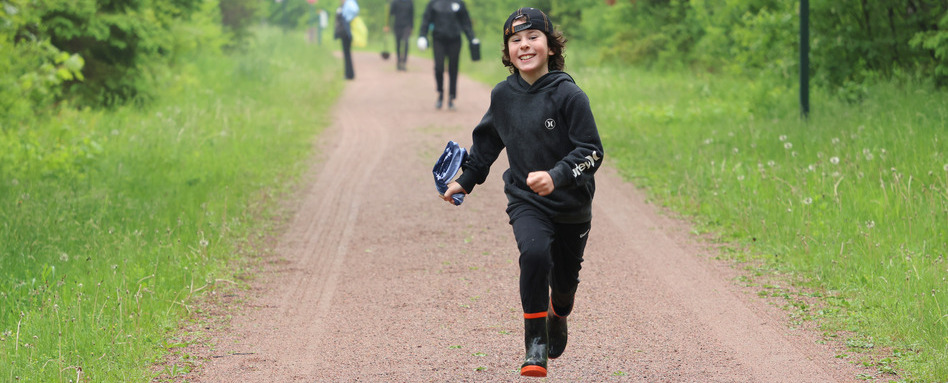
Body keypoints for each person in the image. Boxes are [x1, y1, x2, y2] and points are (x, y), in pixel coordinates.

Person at [439, 7, 604, 378]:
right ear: (507, 50)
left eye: (533, 38)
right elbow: (485, 147)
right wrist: (463, 181)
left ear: (550, 46)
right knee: (533, 255)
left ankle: (558, 313)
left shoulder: (569, 95)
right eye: (515, 40)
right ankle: (535, 344)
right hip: (526, 200)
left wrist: (557, 175)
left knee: (564, 283)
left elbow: (592, 151)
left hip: (572, 205)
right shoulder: (503, 96)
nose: (524, 46)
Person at [417, 0, 477, 110]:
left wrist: (471, 38)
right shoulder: (433, 3)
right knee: (439, 67)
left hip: (455, 40)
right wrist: (422, 35)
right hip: (438, 39)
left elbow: (465, 22)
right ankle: (440, 93)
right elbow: (426, 20)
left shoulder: (459, 3)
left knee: (453, 68)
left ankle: (451, 97)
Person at [334, 0, 359, 80]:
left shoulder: (347, 6)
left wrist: (347, 17)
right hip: (347, 33)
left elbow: (354, 10)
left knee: (346, 54)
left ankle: (349, 74)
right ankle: (349, 73)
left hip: (346, 34)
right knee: (347, 54)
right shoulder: (347, 6)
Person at [386, 0, 414, 71]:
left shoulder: (410, 2)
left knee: (406, 42)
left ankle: (404, 62)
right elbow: (391, 13)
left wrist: (412, 27)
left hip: (407, 26)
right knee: (398, 44)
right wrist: (387, 25)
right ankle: (398, 61)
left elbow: (412, 15)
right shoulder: (395, 2)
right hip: (397, 25)